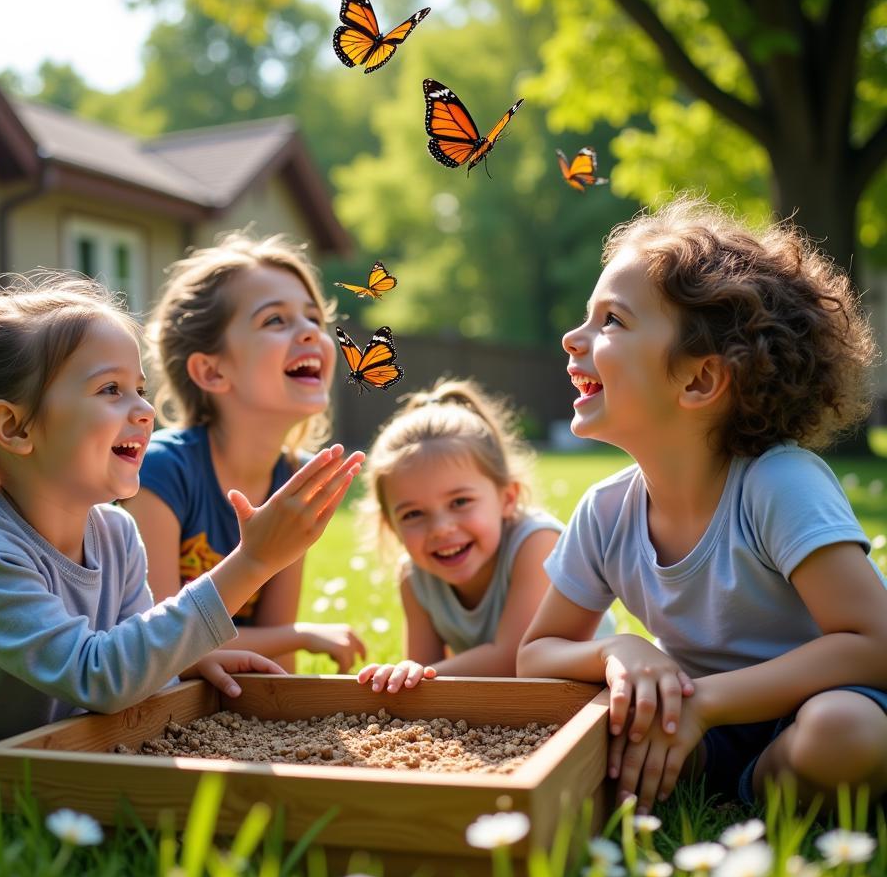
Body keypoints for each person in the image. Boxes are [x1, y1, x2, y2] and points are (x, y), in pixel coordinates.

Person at [0, 273, 363, 802]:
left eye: (140, 390)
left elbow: (132, 652)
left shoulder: (116, 533)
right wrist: (252, 562)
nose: (145, 411)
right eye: (110, 390)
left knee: (72, 776)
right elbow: (100, 677)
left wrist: (187, 660)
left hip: (35, 738)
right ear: (15, 428)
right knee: (34, 797)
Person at [517, 197, 887, 814]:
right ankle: (728, 790)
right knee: (598, 722)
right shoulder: (606, 512)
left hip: (827, 702)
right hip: (698, 722)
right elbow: (537, 655)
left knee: (842, 731)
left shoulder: (779, 485)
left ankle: (751, 792)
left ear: (698, 381)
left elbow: (875, 644)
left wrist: (707, 704)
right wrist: (620, 649)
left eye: (611, 320)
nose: (573, 337)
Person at [123, 233, 367, 674]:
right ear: (212, 370)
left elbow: (278, 654)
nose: (311, 331)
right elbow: (154, 642)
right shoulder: (160, 473)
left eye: (313, 317)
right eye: (276, 320)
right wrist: (300, 634)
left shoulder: (292, 477)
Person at [355, 378, 614, 693]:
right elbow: (424, 686)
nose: (440, 528)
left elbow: (514, 661)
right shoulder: (414, 577)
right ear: (391, 525)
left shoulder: (535, 543)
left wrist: (422, 673)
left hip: (593, 693)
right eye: (413, 514)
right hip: (514, 710)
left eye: (460, 502)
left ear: (507, 498)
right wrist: (410, 674)